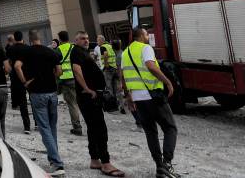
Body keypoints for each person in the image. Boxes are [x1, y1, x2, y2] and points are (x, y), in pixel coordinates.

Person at [123, 26, 179, 178]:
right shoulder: (145, 48)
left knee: (151, 132)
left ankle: (159, 166)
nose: (148, 36)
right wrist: (167, 81)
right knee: (170, 128)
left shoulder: (125, 52)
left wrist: (128, 96)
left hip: (138, 99)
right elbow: (151, 66)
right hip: (152, 95)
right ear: (141, 35)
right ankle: (166, 164)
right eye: (147, 34)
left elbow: (122, 74)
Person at [71, 32, 124, 176]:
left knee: (93, 128)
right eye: (82, 38)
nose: (86, 41)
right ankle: (106, 163)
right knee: (100, 129)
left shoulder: (83, 52)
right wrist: (87, 89)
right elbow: (76, 71)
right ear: (76, 40)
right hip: (88, 97)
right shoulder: (76, 52)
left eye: (88, 38)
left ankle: (95, 159)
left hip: (92, 96)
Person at [14, 30, 65, 176]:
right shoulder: (51, 52)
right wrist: (51, 77)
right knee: (52, 126)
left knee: (44, 127)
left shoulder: (27, 52)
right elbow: (60, 71)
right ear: (40, 38)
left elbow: (17, 66)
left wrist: (25, 82)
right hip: (52, 93)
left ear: (29, 39)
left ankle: (57, 163)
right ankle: (53, 157)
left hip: (37, 93)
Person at [55, 30, 84, 135]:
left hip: (66, 80)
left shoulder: (58, 50)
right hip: (78, 78)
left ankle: (77, 127)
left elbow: (56, 67)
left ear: (60, 39)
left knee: (72, 104)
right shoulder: (74, 48)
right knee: (80, 102)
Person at [6, 30, 31, 134]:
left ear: (15, 38)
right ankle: (38, 124)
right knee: (33, 100)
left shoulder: (10, 49)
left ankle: (27, 126)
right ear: (22, 37)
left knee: (23, 103)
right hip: (29, 77)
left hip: (16, 78)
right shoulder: (28, 48)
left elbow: (8, 63)